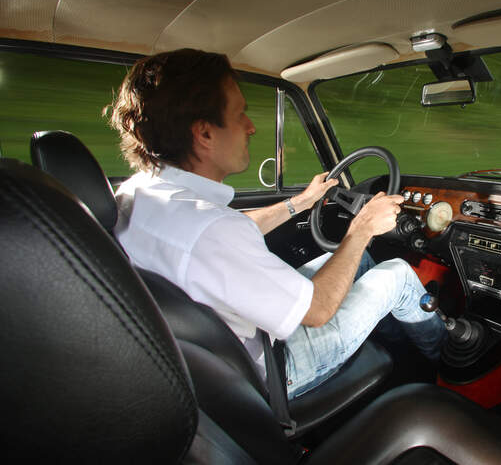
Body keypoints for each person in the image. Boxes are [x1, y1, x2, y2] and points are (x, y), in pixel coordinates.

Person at [109, 48, 445, 398]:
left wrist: (299, 203)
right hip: (272, 368)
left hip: (214, 360)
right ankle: (448, 368)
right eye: (240, 115)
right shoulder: (211, 231)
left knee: (358, 261)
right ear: (205, 134)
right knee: (398, 274)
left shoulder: (142, 193)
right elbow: (317, 310)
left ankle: (391, 340)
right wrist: (361, 228)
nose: (251, 127)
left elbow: (224, 233)